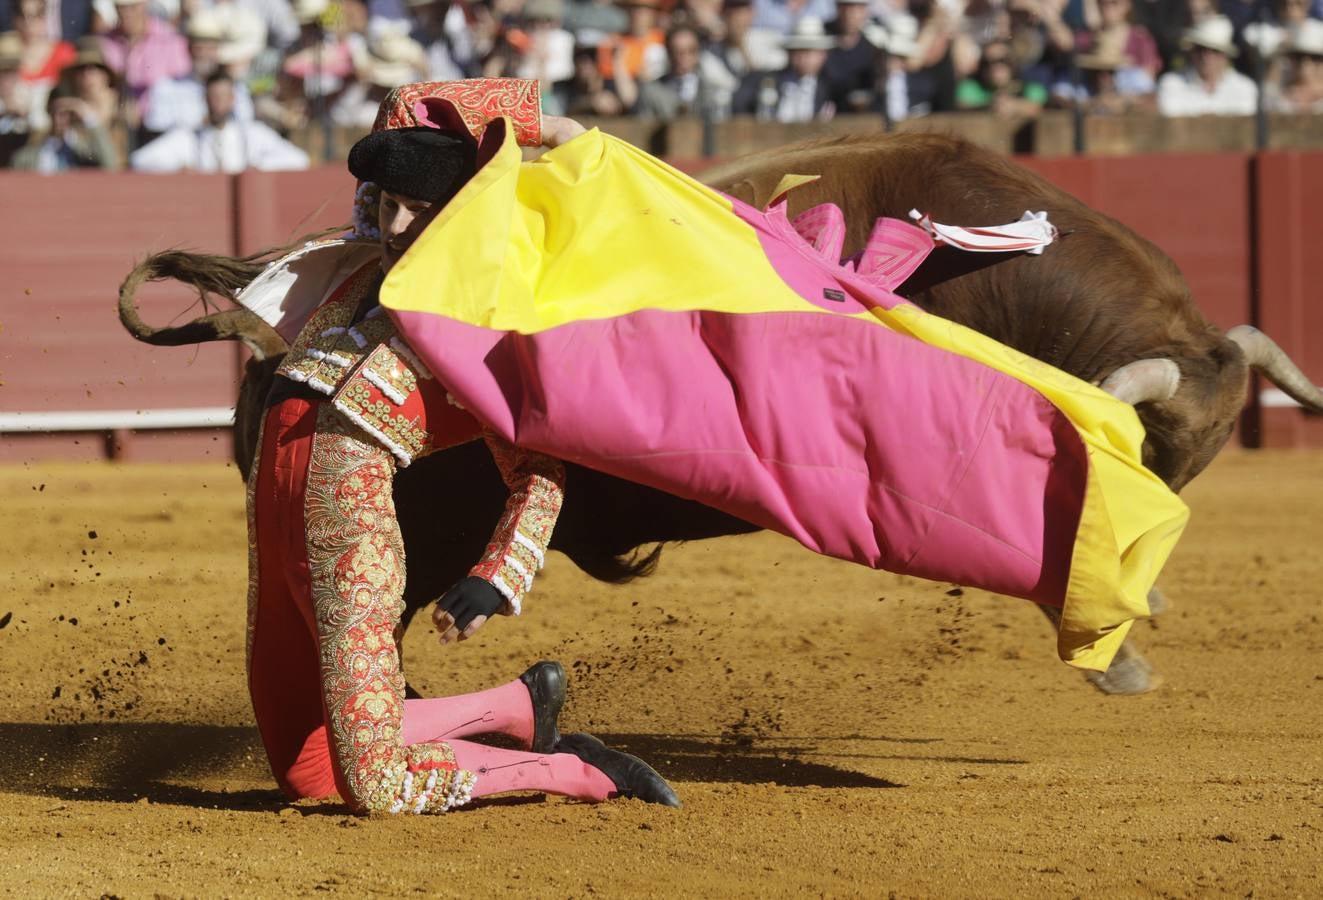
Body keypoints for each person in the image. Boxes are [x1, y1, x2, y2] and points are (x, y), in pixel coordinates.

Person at [239, 81, 679, 814]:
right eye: (388, 204)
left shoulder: (481, 324)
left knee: (374, 787)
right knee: (308, 768)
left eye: (418, 210)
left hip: (353, 532)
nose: (396, 224)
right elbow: (409, 98)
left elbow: (538, 467)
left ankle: (573, 771)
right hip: (275, 516)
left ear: (458, 217)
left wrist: (499, 573)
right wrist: (546, 124)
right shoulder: (366, 262)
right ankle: (517, 707)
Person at [129, 70, 308, 172]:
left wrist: (260, 167)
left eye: (223, 97)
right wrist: (177, 168)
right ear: (204, 99)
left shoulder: (253, 133)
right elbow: (140, 160)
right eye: (213, 97)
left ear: (233, 99)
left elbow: (299, 159)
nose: (218, 103)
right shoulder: (189, 137)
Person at [732, 15, 837, 120]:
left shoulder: (832, 90)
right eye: (797, 51)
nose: (802, 58)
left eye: (808, 51)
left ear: (823, 55)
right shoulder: (765, 81)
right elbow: (739, 105)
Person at [1156, 14, 1258, 114]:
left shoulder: (1244, 89)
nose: (1207, 57)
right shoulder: (1171, 85)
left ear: (1225, 56)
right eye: (1201, 49)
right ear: (1192, 51)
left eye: (1215, 51)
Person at [11, 81, 119, 171]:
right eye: (55, 112)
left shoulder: (86, 150)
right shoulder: (29, 154)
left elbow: (109, 165)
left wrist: (89, 117)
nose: (60, 118)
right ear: (48, 111)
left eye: (67, 112)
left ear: (75, 115)